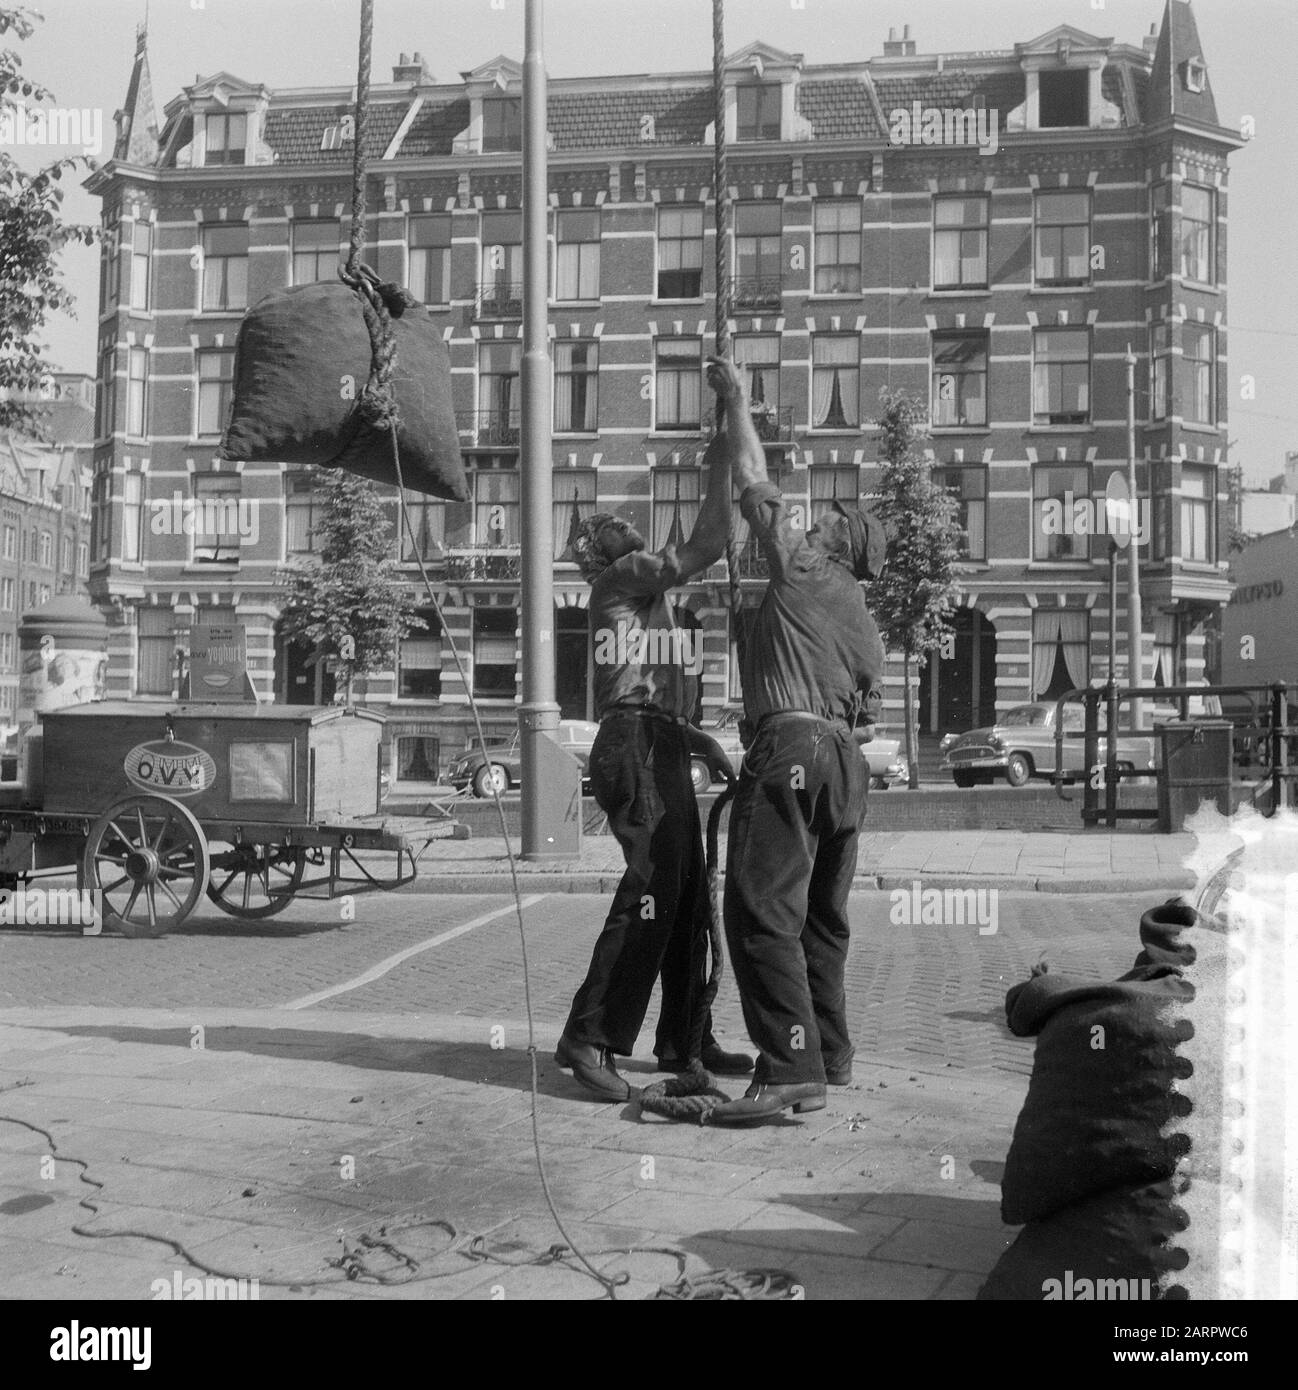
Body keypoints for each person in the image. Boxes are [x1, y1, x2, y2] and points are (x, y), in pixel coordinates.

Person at [553, 360, 755, 1100]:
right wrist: (729, 445)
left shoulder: (642, 606)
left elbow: (655, 689)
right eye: (623, 534)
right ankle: (589, 1037)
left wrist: (695, 738)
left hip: (657, 741)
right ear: (610, 557)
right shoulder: (622, 583)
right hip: (633, 747)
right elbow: (706, 543)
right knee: (651, 886)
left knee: (686, 894)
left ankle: (682, 1038)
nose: (636, 535)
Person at [706, 356, 887, 1125]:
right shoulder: (863, 625)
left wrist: (738, 400)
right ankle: (830, 1053)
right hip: (846, 768)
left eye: (833, 519)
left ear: (840, 546)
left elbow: (754, 481)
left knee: (758, 910)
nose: (818, 518)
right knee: (820, 919)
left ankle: (790, 1067)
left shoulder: (806, 567)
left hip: (795, 751)